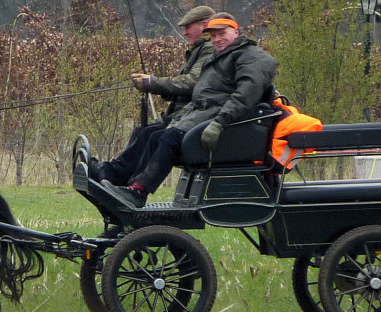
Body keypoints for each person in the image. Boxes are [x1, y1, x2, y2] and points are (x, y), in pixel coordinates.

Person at [110, 13, 279, 206]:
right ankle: (131, 187)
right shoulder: (220, 56)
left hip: (226, 123)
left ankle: (139, 192)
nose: (217, 39)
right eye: (213, 36)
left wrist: (219, 123)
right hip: (204, 113)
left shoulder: (253, 58)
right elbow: (201, 96)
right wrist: (175, 119)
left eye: (222, 33)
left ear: (236, 32)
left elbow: (244, 96)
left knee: (169, 139)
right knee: (156, 135)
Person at [88, 5, 216, 186]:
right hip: (183, 115)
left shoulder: (209, 49)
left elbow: (192, 82)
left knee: (151, 134)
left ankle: (123, 179)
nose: (185, 32)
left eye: (188, 27)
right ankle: (114, 174)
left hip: (191, 118)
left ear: (205, 26)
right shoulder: (200, 50)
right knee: (143, 132)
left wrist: (153, 83)